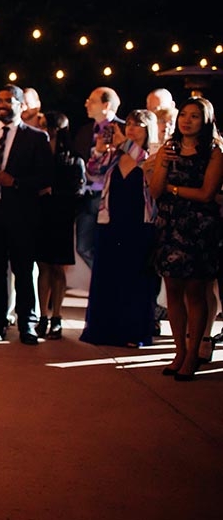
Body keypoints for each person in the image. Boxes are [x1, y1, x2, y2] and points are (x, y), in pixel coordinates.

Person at [149, 97, 223, 381]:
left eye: (194, 116)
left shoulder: (215, 152)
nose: (186, 120)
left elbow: (206, 194)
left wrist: (174, 189)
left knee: (195, 292)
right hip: (169, 224)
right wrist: (163, 166)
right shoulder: (170, 149)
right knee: (173, 292)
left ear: (205, 120)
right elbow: (156, 192)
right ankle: (179, 351)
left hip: (198, 228)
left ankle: (193, 354)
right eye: (183, 115)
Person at [0, 85, 53, 344]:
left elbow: (45, 177)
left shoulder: (36, 137)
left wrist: (14, 182)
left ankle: (27, 324)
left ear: (21, 105)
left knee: (23, 271)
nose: (3, 104)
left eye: (9, 100)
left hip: (21, 214)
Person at [82, 109, 158, 347]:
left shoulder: (154, 153)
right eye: (130, 124)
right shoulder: (115, 155)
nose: (132, 129)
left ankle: (135, 333)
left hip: (139, 226)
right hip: (111, 224)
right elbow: (93, 173)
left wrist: (125, 144)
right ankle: (104, 331)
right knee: (108, 278)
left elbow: (147, 165)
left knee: (135, 280)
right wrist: (99, 148)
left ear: (148, 129)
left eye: (138, 125)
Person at [34, 112, 86, 340]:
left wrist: (52, 192)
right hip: (41, 215)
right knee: (43, 266)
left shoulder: (73, 157)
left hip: (61, 216)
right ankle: (43, 316)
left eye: (47, 126)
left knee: (57, 267)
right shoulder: (38, 153)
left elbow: (79, 191)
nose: (44, 130)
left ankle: (56, 316)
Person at [73, 87, 124, 269]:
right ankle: (104, 279)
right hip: (88, 196)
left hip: (112, 197)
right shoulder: (85, 131)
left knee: (110, 245)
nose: (87, 104)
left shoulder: (123, 129)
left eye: (92, 101)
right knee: (83, 246)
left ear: (106, 105)